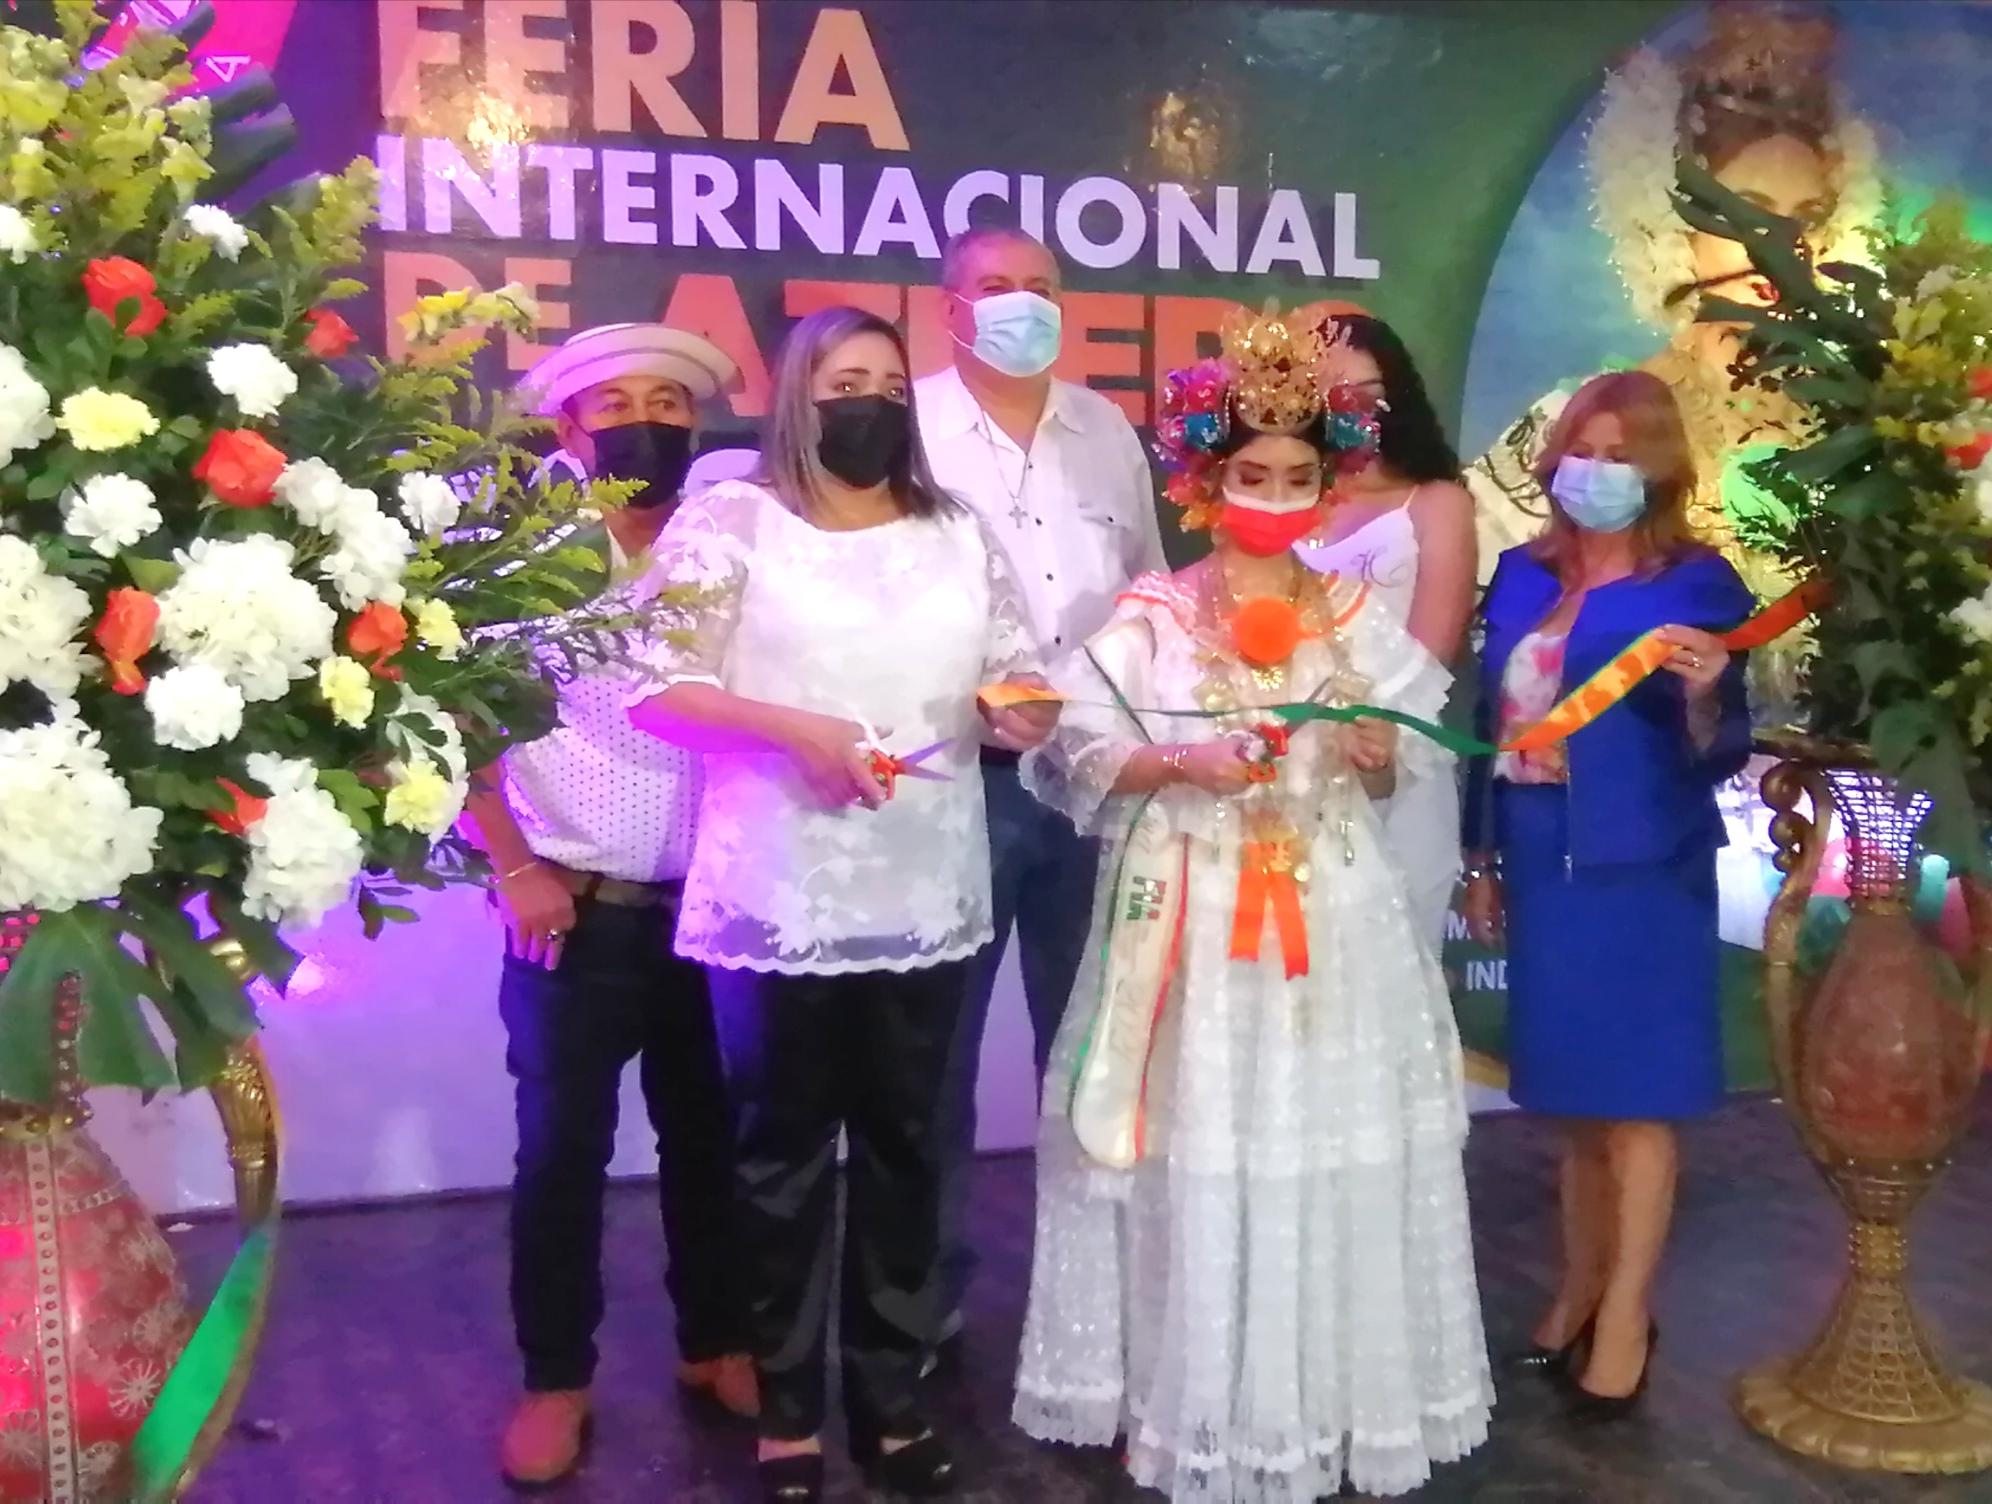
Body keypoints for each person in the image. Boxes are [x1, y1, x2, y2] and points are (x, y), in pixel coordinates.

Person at [1013, 307, 1492, 1501]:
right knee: (1190, 1138)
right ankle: (1188, 1394)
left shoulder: (1354, 618)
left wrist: (1375, 753)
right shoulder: (1158, 613)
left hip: (1330, 909)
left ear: (1328, 487)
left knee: (1321, 1134)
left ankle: (1319, 1393)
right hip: (1191, 905)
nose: (1274, 498)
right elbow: (1077, 750)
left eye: (1296, 478)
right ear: (1206, 482)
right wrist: (1180, 761)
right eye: (1252, 476)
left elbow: (1396, 763)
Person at [626, 305, 1056, 1504]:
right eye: (844, 382)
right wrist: (792, 731)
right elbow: (657, 687)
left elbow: (1012, 674)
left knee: (911, 1151)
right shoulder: (730, 521)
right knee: (780, 1159)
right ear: (798, 398)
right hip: (780, 897)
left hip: (927, 889)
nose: (869, 404)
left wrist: (1024, 712)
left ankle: (891, 1398)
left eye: (887, 384)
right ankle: (786, 1411)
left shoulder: (956, 530)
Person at [461, 323, 756, 1490]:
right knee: (562, 1151)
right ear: (571, 428)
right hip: (573, 912)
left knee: (712, 1139)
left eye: (669, 407)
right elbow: (455, 720)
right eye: (619, 405)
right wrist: (512, 865)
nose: (648, 424)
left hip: (715, 906)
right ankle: (556, 1378)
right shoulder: (520, 559)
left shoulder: (729, 547)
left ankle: (716, 1341)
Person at [1461, 371, 1753, 1420]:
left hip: (1642, 866)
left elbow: (1725, 743)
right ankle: (1577, 1291)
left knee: (1638, 1103)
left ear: (1660, 469)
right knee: (1576, 1103)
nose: (1597, 471)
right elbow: (1489, 727)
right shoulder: (1521, 576)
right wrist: (1482, 858)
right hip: (1543, 855)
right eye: (1583, 450)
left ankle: (1627, 1316)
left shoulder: (1698, 584)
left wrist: (1709, 694)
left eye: (1623, 455)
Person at [1468, 0, 1873, 718]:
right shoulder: (1589, 420)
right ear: (1675, 219)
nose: (1778, 247)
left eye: (1804, 219)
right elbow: (1488, 609)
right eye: (1745, 212)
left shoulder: (1859, 425)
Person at [915, 223, 1168, 1360]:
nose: (1021, 304)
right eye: (995, 287)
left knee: (1093, 1042)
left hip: (1098, 782)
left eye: (1041, 287)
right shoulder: (908, 427)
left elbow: (1153, 593)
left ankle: (1093, 1299)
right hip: (959, 781)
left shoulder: (1106, 430)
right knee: (936, 1054)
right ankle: (923, 1299)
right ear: (950, 308)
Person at [1298, 312, 1477, 948]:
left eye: (1364, 393)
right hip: (1291, 775)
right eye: (1327, 394)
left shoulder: (1435, 502)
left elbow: (1432, 654)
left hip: (1399, 760)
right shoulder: (1282, 500)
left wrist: (1369, 739)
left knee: (1395, 966)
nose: (1346, 409)